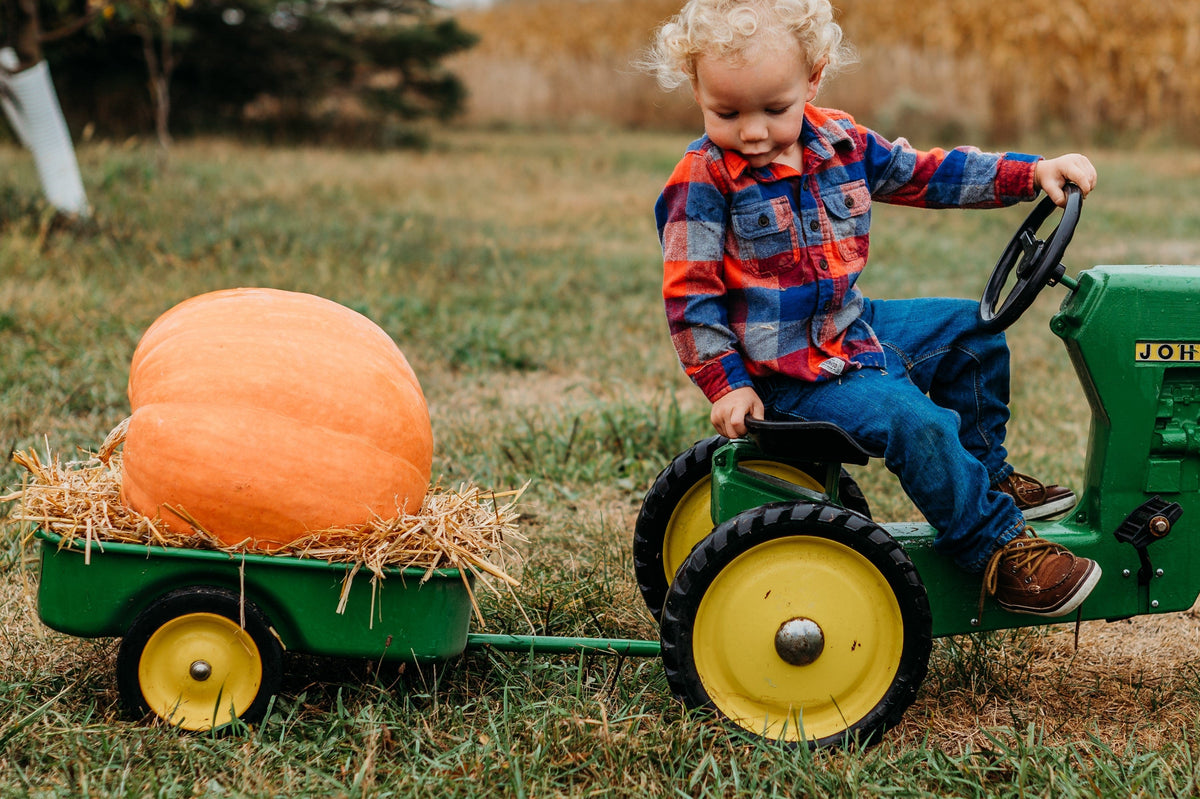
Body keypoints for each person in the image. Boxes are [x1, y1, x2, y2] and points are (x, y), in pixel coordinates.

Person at [645, 0, 1101, 617]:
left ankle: (987, 476)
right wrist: (726, 384)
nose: (752, 132)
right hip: (788, 377)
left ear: (813, 78)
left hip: (851, 332)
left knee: (971, 329)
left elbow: (931, 175)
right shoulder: (701, 180)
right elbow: (690, 295)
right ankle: (995, 550)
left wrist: (1031, 173)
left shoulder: (842, 142)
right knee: (917, 422)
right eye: (726, 113)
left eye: (774, 110)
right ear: (697, 90)